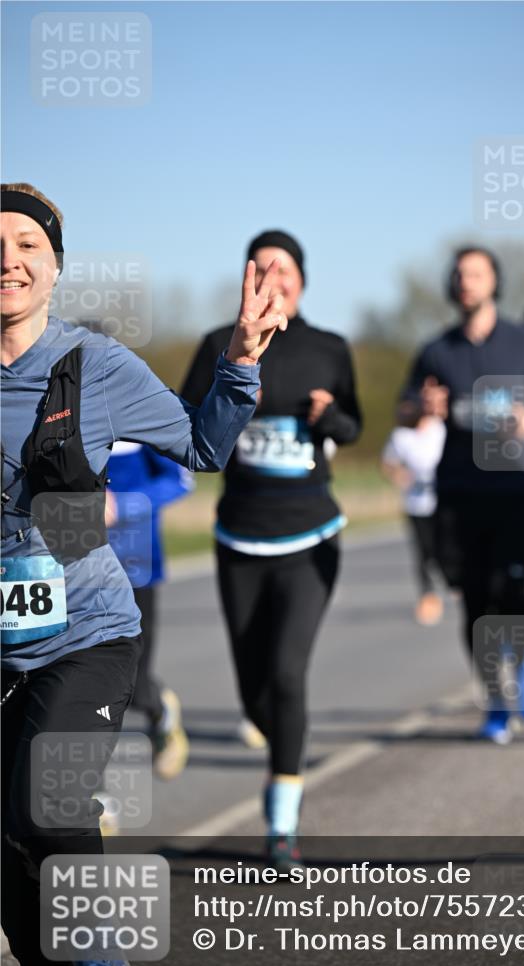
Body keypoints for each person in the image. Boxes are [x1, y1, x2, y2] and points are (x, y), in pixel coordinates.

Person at [1, 182, 286, 966]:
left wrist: (237, 359)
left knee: (48, 814)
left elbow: (201, 445)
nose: (8, 261)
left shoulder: (94, 365)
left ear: (55, 269)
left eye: (27, 245)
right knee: (13, 862)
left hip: (85, 634)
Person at [181, 230, 362, 869]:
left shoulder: (330, 349)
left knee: (287, 675)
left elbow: (354, 425)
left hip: (310, 534)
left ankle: (280, 827)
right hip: (238, 536)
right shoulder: (215, 346)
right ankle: (270, 727)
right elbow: (188, 426)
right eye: (258, 270)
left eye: (282, 269)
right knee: (255, 690)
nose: (271, 280)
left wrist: (328, 418)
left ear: (302, 282)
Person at [403, 246, 524, 745]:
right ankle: (494, 701)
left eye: (476, 273)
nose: (465, 281)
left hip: (516, 488)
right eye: (458, 274)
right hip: (460, 491)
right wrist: (421, 408)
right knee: (474, 604)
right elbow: (404, 413)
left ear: (494, 282)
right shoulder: (436, 350)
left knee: (517, 587)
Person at [106, 441, 193, 779]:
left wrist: (121, 505)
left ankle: (159, 712)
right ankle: (91, 798)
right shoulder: (57, 410)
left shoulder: (140, 404)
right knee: (78, 684)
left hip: (137, 566)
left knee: (134, 683)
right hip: (76, 569)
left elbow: (180, 481)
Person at [381, 398, 446, 625]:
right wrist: (400, 475)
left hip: (444, 501)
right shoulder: (401, 436)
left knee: (444, 547)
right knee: (423, 552)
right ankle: (428, 597)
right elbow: (388, 463)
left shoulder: (439, 429)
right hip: (416, 503)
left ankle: (454, 579)